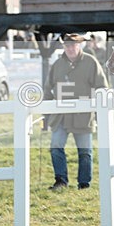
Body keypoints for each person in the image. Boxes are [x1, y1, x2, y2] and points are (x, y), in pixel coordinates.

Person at [44, 33, 108, 190]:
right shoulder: (57, 65)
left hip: (83, 117)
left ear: (79, 46)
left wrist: (97, 108)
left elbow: (102, 87)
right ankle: (61, 181)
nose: (70, 48)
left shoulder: (90, 62)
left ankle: (84, 184)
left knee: (85, 152)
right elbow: (48, 89)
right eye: (67, 46)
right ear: (63, 47)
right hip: (60, 117)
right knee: (56, 147)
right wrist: (46, 112)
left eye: (73, 45)